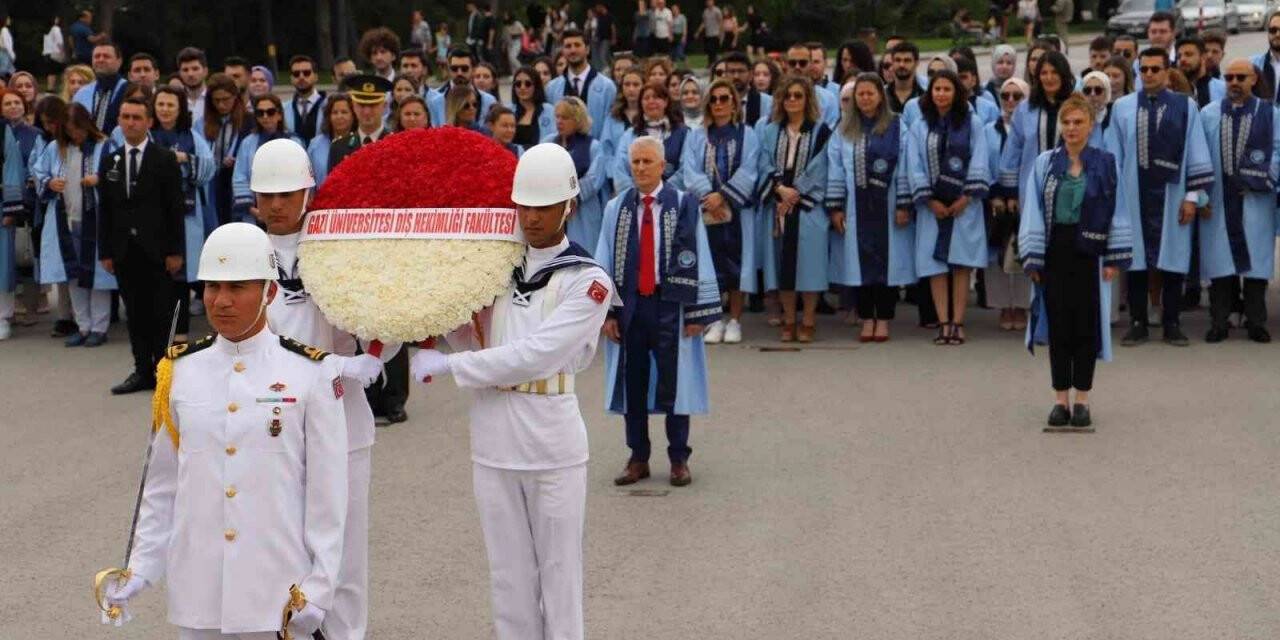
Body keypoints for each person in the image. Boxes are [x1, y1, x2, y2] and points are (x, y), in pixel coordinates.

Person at [99, 222, 350, 640]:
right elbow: (162, 484)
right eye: (213, 287)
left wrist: (320, 588)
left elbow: (328, 495)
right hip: (199, 592)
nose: (222, 300)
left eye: (238, 287)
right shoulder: (179, 372)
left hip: (276, 590)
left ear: (269, 292)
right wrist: (140, 569)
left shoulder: (311, 373)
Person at [408, 143, 611, 640]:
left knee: (559, 577)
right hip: (494, 440)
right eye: (523, 205)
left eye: (543, 205)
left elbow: (537, 353)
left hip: (551, 443)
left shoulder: (588, 281)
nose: (531, 216)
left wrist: (453, 364)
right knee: (508, 579)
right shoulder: (494, 271)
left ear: (569, 206)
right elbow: (476, 336)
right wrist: (435, 318)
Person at [248, 139, 382, 639]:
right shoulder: (244, 252)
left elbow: (379, 322)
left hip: (341, 424)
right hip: (270, 425)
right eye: (267, 195)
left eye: (287, 194)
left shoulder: (338, 249)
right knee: (278, 551)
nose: (277, 205)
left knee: (344, 559)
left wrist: (370, 357)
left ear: (309, 192)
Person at [598, 135, 718, 486]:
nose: (640, 168)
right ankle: (638, 457)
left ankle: (679, 458)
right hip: (631, 307)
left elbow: (700, 259)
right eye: (635, 162)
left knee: (674, 383)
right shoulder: (615, 208)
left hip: (671, 307)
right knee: (632, 383)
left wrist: (697, 313)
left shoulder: (684, 206)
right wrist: (606, 313)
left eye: (647, 161)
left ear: (662, 166)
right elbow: (602, 261)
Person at [1019, 93, 1130, 429]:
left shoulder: (1106, 162)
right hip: (1056, 248)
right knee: (1059, 324)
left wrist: (1113, 256)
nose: (1071, 128)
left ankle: (1082, 398)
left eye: (1078, 122)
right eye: (1066, 122)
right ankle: (1059, 399)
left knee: (1086, 325)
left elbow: (1118, 208)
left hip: (1091, 251)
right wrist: (1034, 258)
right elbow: (1033, 210)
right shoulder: (1045, 163)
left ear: (1090, 125)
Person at [1104, 48, 1213, 347]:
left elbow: (1195, 150)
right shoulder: (1122, 107)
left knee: (1173, 260)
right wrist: (1114, 199)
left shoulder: (1185, 106)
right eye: (1144, 69)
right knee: (1136, 260)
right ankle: (1138, 322)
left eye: (1155, 69)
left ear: (1167, 71)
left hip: (1172, 194)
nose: (1149, 74)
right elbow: (1113, 155)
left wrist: (1192, 196)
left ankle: (1172, 322)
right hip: (1133, 195)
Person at [327, 75, 409, 424]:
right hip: (356, 248)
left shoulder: (397, 143)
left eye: (373, 104)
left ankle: (395, 399)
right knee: (362, 322)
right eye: (361, 104)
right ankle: (370, 394)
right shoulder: (340, 145)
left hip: (389, 246)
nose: (366, 110)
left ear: (384, 106)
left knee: (394, 323)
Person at [97, 98, 187, 394]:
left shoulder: (164, 159)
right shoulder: (111, 160)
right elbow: (106, 210)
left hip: (158, 252)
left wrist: (176, 251)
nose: (130, 122)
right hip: (125, 251)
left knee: (160, 314)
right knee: (134, 315)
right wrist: (106, 251)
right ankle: (141, 371)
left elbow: (175, 209)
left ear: (149, 122)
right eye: (125, 117)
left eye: (137, 117)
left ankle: (164, 372)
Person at [828, 73, 914, 343]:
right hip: (855, 206)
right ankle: (867, 318)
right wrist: (836, 207)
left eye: (870, 93)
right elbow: (836, 169)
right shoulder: (844, 128)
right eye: (860, 94)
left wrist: (903, 203)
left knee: (887, 266)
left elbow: (905, 167)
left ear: (880, 95)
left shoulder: (898, 126)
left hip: (887, 206)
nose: (865, 98)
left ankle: (884, 319)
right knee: (859, 265)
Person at [907, 69, 990, 346]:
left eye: (947, 89)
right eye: (937, 89)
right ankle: (943, 322)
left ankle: (958, 322)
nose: (941, 94)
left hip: (964, 206)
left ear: (956, 92)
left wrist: (966, 196)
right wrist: (929, 199)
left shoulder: (972, 123)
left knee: (961, 264)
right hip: (932, 207)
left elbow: (980, 158)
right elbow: (914, 163)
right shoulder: (920, 125)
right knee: (936, 266)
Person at [1199, 59, 1279, 344]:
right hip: (1218, 198)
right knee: (1220, 263)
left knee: (1256, 265)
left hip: (1256, 201)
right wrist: (1199, 194)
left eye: (1240, 77)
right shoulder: (1208, 114)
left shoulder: (1270, 114)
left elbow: (1279, 150)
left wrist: (1258, 179)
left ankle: (1256, 322)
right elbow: (1198, 156)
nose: (1234, 82)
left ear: (1254, 79)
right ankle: (1219, 322)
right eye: (1229, 77)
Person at [680, 79, 758, 344]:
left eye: (724, 98)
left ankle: (735, 320)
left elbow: (750, 169)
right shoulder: (697, 135)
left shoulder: (747, 134)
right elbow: (689, 168)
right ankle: (713, 319)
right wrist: (708, 195)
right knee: (710, 263)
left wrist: (723, 196)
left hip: (736, 210)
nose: (719, 104)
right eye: (713, 99)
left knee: (738, 264)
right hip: (707, 211)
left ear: (734, 102)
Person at [754, 76, 831, 343]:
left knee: (809, 265)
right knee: (781, 264)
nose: (792, 101)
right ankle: (789, 319)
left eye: (798, 96)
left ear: (807, 99)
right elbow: (762, 161)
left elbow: (821, 166)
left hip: (807, 207)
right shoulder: (770, 130)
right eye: (788, 96)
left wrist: (795, 193)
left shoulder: (820, 131)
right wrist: (779, 189)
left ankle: (808, 319)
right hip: (778, 204)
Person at [30, 102, 112, 348]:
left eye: (78, 129)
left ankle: (100, 327)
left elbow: (117, 175)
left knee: (97, 275)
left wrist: (99, 179)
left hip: (95, 220)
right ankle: (83, 326)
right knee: (74, 274)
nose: (74, 134)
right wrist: (49, 182)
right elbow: (37, 172)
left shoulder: (102, 146)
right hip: (65, 220)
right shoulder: (56, 148)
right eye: (69, 129)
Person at [150, 87, 215, 341]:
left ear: (180, 109)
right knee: (157, 276)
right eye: (161, 104)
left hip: (186, 216)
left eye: (170, 105)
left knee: (181, 277)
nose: (165, 109)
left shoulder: (191, 137)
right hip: (153, 215)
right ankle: (158, 333)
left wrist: (185, 159)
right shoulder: (148, 136)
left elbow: (208, 168)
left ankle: (181, 334)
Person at [983, 77, 1032, 333]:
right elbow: (984, 163)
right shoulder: (989, 130)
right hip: (996, 201)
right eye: (1006, 96)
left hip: (1025, 198)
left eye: (1017, 96)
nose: (1011, 101)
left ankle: (1023, 305)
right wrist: (996, 194)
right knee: (998, 252)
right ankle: (1004, 305)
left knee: (1023, 251)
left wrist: (1016, 193)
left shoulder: (1030, 127)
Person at [1000, 51, 1073, 213]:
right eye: (1044, 73)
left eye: (1054, 72)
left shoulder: (1076, 105)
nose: (1049, 77)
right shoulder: (1025, 109)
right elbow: (1013, 149)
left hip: (1071, 186)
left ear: (1063, 74)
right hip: (1031, 187)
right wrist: (1011, 193)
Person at [0, 90, 44, 340]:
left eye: (17, 102)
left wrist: (11, 208)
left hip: (1, 205)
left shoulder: (3, 132)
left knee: (2, 264)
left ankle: (3, 317)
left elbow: (12, 169)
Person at [546, 97, 606, 252]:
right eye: (557, 117)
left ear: (578, 120)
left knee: (582, 254)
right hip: (552, 207)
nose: (559, 121)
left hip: (582, 212)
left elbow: (594, 179)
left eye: (565, 117)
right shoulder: (548, 142)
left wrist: (572, 198)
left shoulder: (593, 145)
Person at [232, 94, 301, 225]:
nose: (265, 117)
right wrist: (253, 210)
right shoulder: (248, 142)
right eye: (260, 113)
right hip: (255, 212)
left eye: (270, 112)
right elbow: (240, 176)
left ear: (279, 115)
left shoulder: (294, 142)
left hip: (287, 209)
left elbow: (301, 177)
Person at [611, 81, 688, 194]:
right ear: (641, 103)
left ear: (666, 101)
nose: (651, 101)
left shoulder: (683, 133)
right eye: (646, 98)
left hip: (673, 199)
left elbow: (686, 169)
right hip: (636, 201)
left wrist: (662, 192)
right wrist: (637, 196)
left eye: (656, 97)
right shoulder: (630, 135)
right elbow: (620, 170)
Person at [545, 29, 617, 140]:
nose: (573, 50)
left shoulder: (607, 87)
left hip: (594, 151)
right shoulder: (552, 88)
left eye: (577, 45)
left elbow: (609, 128)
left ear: (587, 49)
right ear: (563, 51)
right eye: (568, 46)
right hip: (562, 151)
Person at [201, 74, 250, 227]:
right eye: (216, 100)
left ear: (235, 97)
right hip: (213, 183)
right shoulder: (202, 123)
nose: (221, 105)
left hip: (239, 185)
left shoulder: (249, 121)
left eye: (226, 99)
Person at [429, 47, 498, 128]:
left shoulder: (488, 101)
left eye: (464, 69)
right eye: (454, 69)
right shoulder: (435, 101)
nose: (459, 73)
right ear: (448, 70)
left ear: (473, 70)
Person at [73, 42, 126, 134]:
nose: (101, 59)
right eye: (97, 56)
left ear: (119, 61)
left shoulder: (130, 90)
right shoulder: (82, 93)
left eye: (106, 56)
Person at [600, 69, 644, 173]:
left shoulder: (648, 115)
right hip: (616, 176)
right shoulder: (613, 117)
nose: (631, 89)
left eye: (636, 85)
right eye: (627, 85)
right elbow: (606, 149)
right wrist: (615, 173)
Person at [308, 93, 354, 186]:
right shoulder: (315, 145)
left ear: (353, 116)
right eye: (335, 112)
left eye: (344, 112)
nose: (339, 116)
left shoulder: (360, 142)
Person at [285, 55, 326, 147]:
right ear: (291, 79)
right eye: (296, 74)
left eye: (306, 73)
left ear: (316, 76)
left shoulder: (328, 106)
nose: (301, 77)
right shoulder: (283, 109)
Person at [723, 51, 772, 129]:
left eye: (741, 71)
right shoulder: (717, 102)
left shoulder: (768, 103)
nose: (736, 76)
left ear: (751, 75)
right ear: (725, 75)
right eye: (732, 72)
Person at [509, 66, 554, 148]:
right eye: (518, 84)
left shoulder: (549, 110)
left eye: (528, 84)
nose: (522, 87)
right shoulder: (508, 110)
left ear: (536, 86)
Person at [1178, 36, 1225, 110]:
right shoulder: (1173, 90)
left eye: (1188, 54)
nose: (1182, 59)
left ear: (1203, 57)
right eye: (1179, 56)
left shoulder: (1223, 89)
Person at [887, 41, 924, 114]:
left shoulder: (924, 98)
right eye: (898, 60)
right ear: (892, 62)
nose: (901, 65)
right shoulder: (881, 96)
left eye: (907, 60)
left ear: (916, 63)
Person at [176, 48, 208, 124]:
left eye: (195, 69)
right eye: (185, 70)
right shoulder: (175, 100)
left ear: (205, 71)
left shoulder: (215, 99)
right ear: (180, 73)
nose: (190, 74)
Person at [42, 16, 67, 93]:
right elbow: (59, 42)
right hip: (55, 53)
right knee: (62, 70)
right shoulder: (56, 29)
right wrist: (62, 52)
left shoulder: (47, 30)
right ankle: (64, 86)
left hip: (47, 53)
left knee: (51, 72)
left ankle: (50, 88)